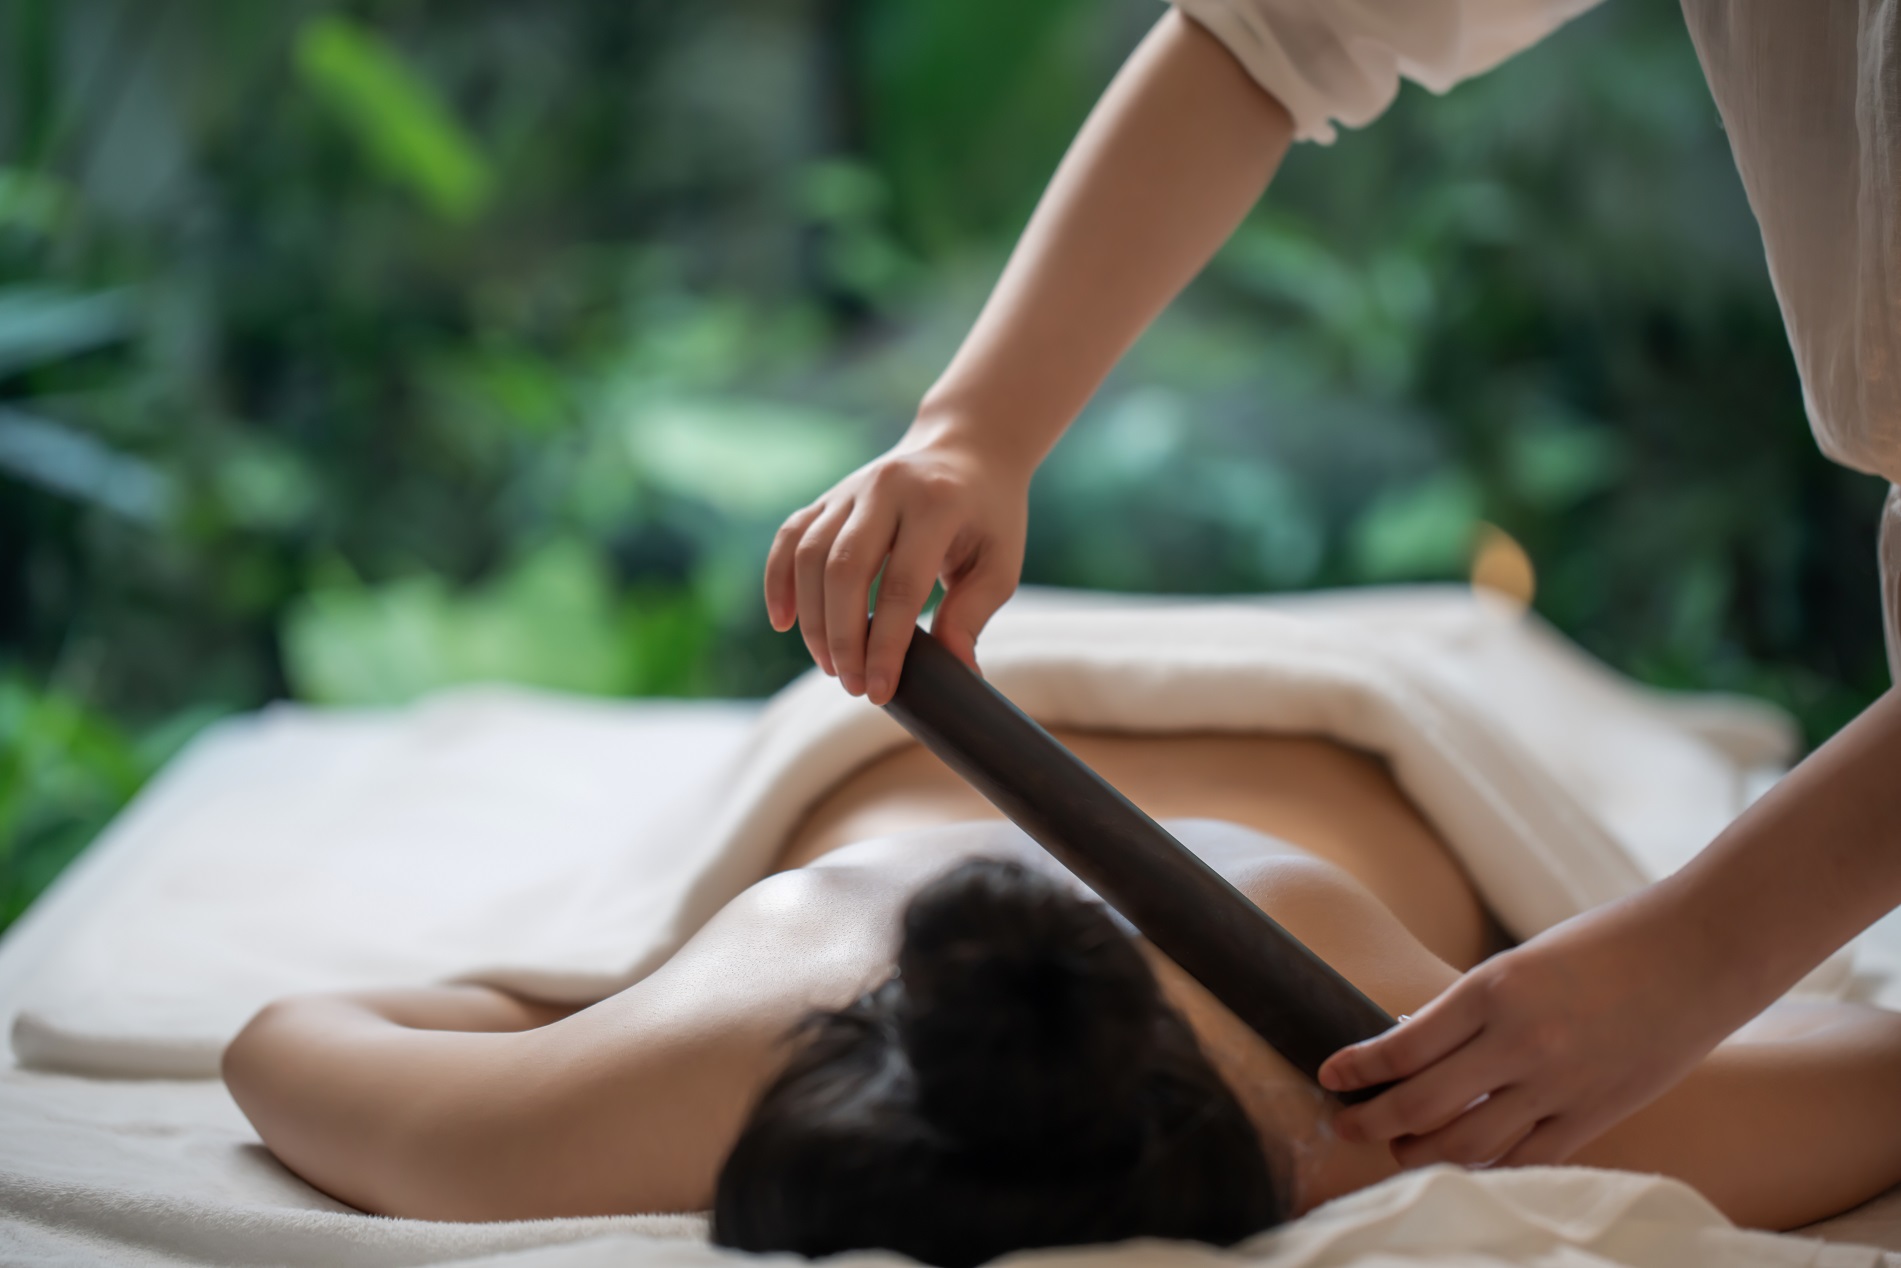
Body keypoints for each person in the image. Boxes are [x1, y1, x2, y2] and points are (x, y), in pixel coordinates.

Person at [761, 3, 1901, 1168]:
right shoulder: (1411, 1076)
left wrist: (1699, 950)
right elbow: (1272, 33)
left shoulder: (773, 1000)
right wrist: (973, 430)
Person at [224, 725, 1901, 1248]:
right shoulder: (1425, 1098)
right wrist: (599, 1001)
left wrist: (584, 1004)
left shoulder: (1391, 1078)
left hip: (1322, 726)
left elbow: (282, 1041)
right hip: (889, 742)